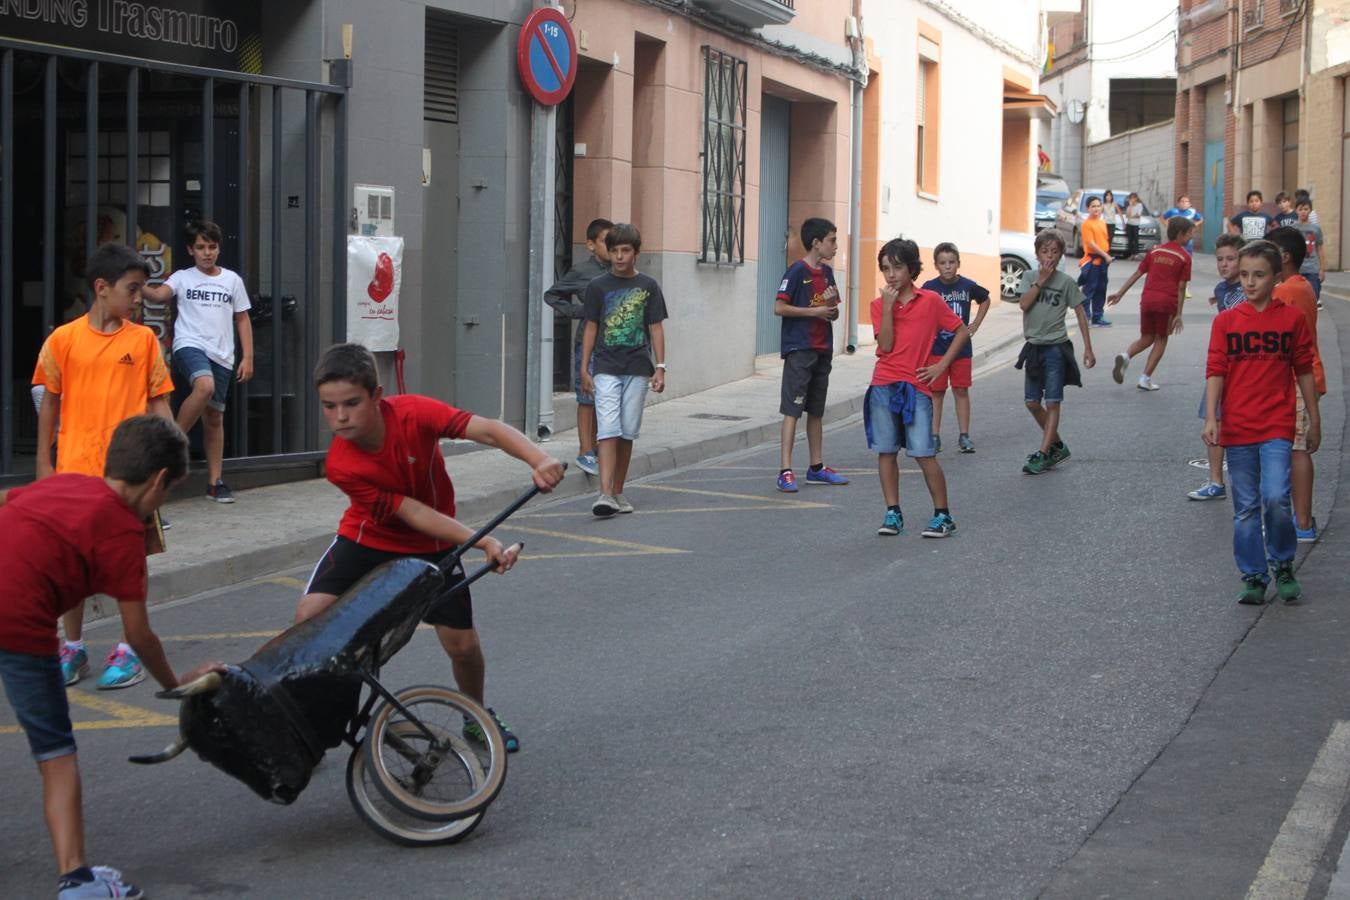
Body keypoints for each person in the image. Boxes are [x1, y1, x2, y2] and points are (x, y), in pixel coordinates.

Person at [298, 343, 565, 753]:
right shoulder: (341, 464)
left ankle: (475, 715)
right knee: (309, 619)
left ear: (377, 395)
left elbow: (489, 429)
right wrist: (484, 542)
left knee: (463, 645)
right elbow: (411, 512)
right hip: (367, 540)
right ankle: (317, 722)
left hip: (433, 545)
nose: (340, 417)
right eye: (329, 407)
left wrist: (539, 459)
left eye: (351, 403)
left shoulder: (414, 413)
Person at [0, 415, 221, 900]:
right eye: (168, 493)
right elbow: (138, 635)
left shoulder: (63, 484)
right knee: (55, 753)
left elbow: (12, 507)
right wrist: (175, 684)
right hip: (19, 626)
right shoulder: (124, 531)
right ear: (159, 480)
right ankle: (77, 880)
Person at [31, 243, 174, 690]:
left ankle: (130, 649)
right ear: (101, 288)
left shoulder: (143, 340)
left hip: (130, 478)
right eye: (132, 290)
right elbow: (49, 402)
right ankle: (72, 648)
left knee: (130, 561)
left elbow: (159, 404)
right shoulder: (63, 340)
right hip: (74, 472)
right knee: (70, 565)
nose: (138, 299)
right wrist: (42, 462)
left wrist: (171, 459)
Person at [1203, 239, 1319, 605]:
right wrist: (1212, 417)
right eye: (1245, 275)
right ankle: (1253, 575)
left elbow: (1304, 370)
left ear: (1275, 276)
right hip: (1237, 428)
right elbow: (1215, 370)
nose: (1250, 283)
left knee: (1275, 498)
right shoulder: (1226, 321)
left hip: (1276, 426)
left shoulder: (1291, 319)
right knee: (1246, 506)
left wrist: (1314, 419)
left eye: (1259, 275)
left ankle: (1282, 564)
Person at [141, 221, 253, 504]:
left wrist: (248, 357)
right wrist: (134, 283)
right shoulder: (182, 277)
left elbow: (242, 318)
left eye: (212, 247)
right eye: (201, 247)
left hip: (223, 355)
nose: (207, 253)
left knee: (214, 418)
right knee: (203, 386)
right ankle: (173, 440)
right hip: (189, 345)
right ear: (190, 250)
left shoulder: (232, 280)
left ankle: (215, 482)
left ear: (219, 248)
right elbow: (157, 295)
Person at [864, 237, 968, 538]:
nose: (891, 275)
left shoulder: (931, 301)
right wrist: (886, 308)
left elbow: (960, 331)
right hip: (884, 383)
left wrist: (940, 366)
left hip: (917, 386)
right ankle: (893, 512)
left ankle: (943, 514)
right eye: (885, 268)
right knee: (886, 451)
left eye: (897, 267)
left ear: (911, 269)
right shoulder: (877, 305)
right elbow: (885, 345)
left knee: (924, 453)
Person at [579, 223, 669, 516]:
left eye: (625, 250)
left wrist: (660, 367)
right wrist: (584, 368)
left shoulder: (648, 286)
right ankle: (603, 494)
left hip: (638, 369)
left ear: (636, 253)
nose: (619, 256)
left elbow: (656, 328)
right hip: (605, 366)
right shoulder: (597, 287)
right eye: (614, 250)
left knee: (627, 432)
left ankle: (618, 491)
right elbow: (591, 327)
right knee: (607, 429)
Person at [771, 217, 848, 492]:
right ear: (816, 243)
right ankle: (785, 470)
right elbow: (779, 308)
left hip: (821, 349)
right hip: (799, 349)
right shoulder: (795, 272)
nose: (836, 246)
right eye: (832, 241)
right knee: (793, 409)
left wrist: (829, 307)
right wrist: (813, 311)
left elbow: (834, 312)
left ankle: (816, 467)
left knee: (816, 410)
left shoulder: (827, 274)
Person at [1017, 230, 1096, 474]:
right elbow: (1024, 304)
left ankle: (1043, 452)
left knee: (1052, 401)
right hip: (1033, 347)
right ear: (1037, 254)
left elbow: (1081, 313)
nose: (1049, 256)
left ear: (1061, 255)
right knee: (1032, 402)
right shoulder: (1029, 276)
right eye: (1044, 251)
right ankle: (1057, 445)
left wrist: (1088, 348)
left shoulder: (1065, 282)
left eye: (1054, 252)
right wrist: (1040, 281)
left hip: (1056, 348)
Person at [1266, 226, 1327, 544]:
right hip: (1301, 376)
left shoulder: (1286, 291)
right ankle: (1299, 519)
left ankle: (1302, 522)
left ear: (1284, 257)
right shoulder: (1300, 286)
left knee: (1298, 450)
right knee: (1293, 448)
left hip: (1298, 378)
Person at [544, 217, 613, 477]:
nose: (613, 247)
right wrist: (578, 311)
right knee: (587, 397)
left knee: (604, 398)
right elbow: (551, 294)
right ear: (591, 244)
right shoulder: (583, 271)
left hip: (614, 345)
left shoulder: (620, 270)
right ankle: (585, 450)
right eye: (607, 242)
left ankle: (596, 446)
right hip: (589, 343)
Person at [1187, 233, 1246, 502]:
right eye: (1220, 259)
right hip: (1224, 364)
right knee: (1214, 419)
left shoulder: (1250, 286)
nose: (1224, 264)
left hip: (1249, 367)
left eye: (1230, 259)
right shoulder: (1222, 290)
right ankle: (1215, 481)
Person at [1106, 217, 1195, 392]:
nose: (1191, 237)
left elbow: (1137, 274)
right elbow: (1182, 286)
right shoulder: (1184, 257)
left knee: (1147, 337)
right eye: (1190, 233)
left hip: (1147, 300)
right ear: (1181, 234)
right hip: (1167, 302)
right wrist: (1178, 314)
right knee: (1161, 338)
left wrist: (1120, 293)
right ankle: (1145, 378)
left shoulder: (1154, 252)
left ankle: (1126, 355)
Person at [919, 242, 990, 453]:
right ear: (936, 265)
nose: (948, 267)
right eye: (943, 263)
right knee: (936, 392)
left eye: (951, 262)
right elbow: (918, 310)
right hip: (937, 349)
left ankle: (964, 435)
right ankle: (934, 435)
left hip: (961, 350)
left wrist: (975, 324)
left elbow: (984, 299)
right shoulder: (930, 288)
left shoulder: (967, 286)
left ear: (958, 263)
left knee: (961, 390)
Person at [1077, 196, 1112, 327]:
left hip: (1103, 261)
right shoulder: (1087, 224)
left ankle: (1098, 316)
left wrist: (1107, 256)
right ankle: (1085, 317)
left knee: (1101, 289)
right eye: (1093, 206)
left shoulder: (1102, 222)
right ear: (1088, 208)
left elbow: (1104, 241)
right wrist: (1105, 255)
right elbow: (1091, 244)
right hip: (1092, 262)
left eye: (1098, 205)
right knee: (1089, 290)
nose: (1096, 208)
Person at [1294, 197, 1325, 306]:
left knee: (1314, 296)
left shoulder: (1315, 229)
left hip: (1312, 269)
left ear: (1310, 210)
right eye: (1300, 209)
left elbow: (1320, 249)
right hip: (1297, 269)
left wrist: (1322, 269)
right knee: (1297, 300)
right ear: (1296, 210)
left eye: (1306, 209)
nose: (1303, 212)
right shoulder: (1293, 229)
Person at [1124, 192, 1145, 259]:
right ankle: (1131, 254)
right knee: (1130, 239)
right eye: (1131, 198)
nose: (1132, 199)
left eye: (1133, 198)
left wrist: (1132, 216)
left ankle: (1136, 253)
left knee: (1136, 239)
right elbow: (1127, 215)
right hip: (1129, 224)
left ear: (1136, 198)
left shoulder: (1139, 205)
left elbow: (1138, 215)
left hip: (1136, 224)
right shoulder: (1129, 206)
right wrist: (1130, 206)